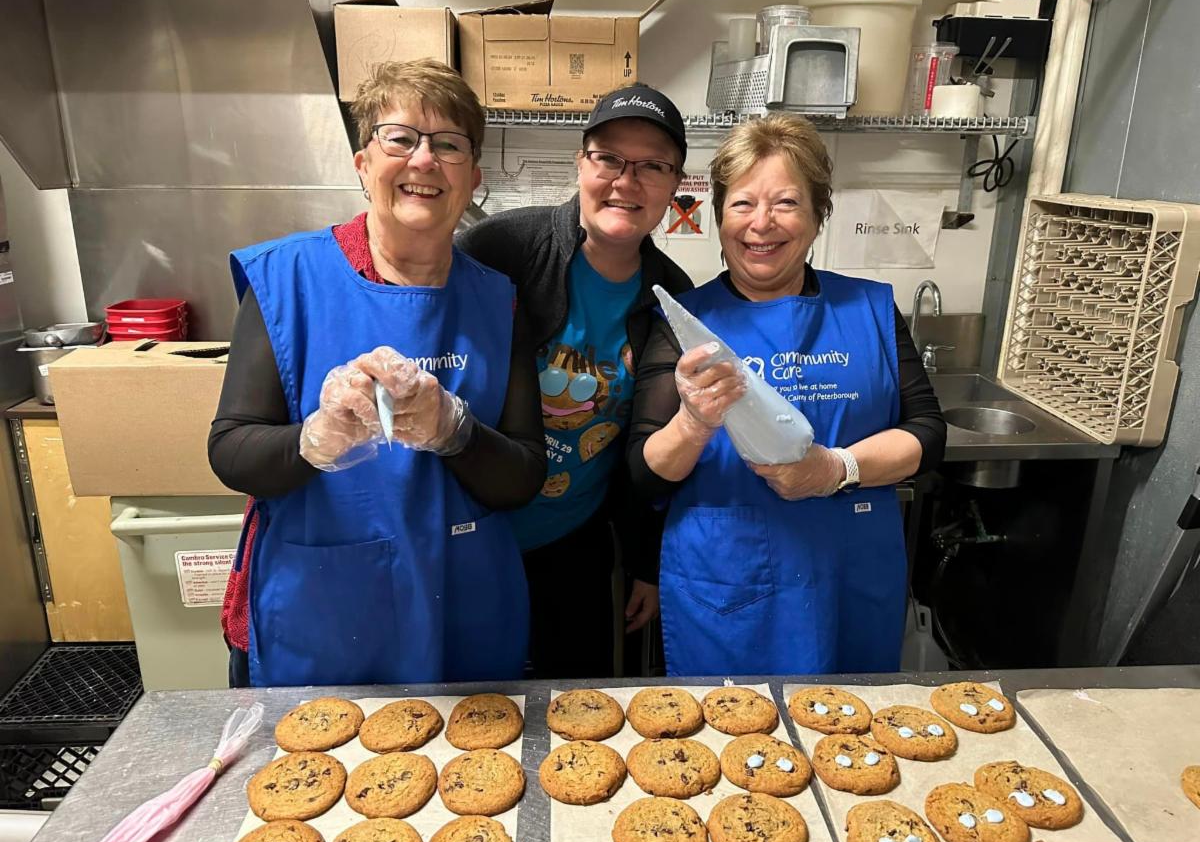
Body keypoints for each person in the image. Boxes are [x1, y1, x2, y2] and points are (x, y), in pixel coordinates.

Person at [208, 59, 545, 687]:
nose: (424, 161)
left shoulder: (499, 302)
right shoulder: (287, 281)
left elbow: (524, 476)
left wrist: (454, 430)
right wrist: (314, 439)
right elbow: (230, 450)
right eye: (400, 138)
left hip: (464, 602)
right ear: (363, 164)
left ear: (473, 178)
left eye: (449, 145)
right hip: (328, 606)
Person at [627, 113, 946, 676]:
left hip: (850, 573)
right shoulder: (685, 323)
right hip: (730, 586)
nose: (762, 224)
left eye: (787, 203)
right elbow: (644, 473)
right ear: (720, 216)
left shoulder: (870, 309)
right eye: (743, 203)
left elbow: (927, 432)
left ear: (819, 215)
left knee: (848, 746)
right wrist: (694, 423)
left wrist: (835, 468)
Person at [456, 85, 694, 678]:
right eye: (609, 158)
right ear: (582, 164)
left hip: (575, 540)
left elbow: (648, 446)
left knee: (576, 720)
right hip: (471, 535)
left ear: (674, 185)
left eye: (652, 166)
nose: (626, 180)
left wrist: (645, 562)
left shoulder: (670, 295)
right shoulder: (502, 248)